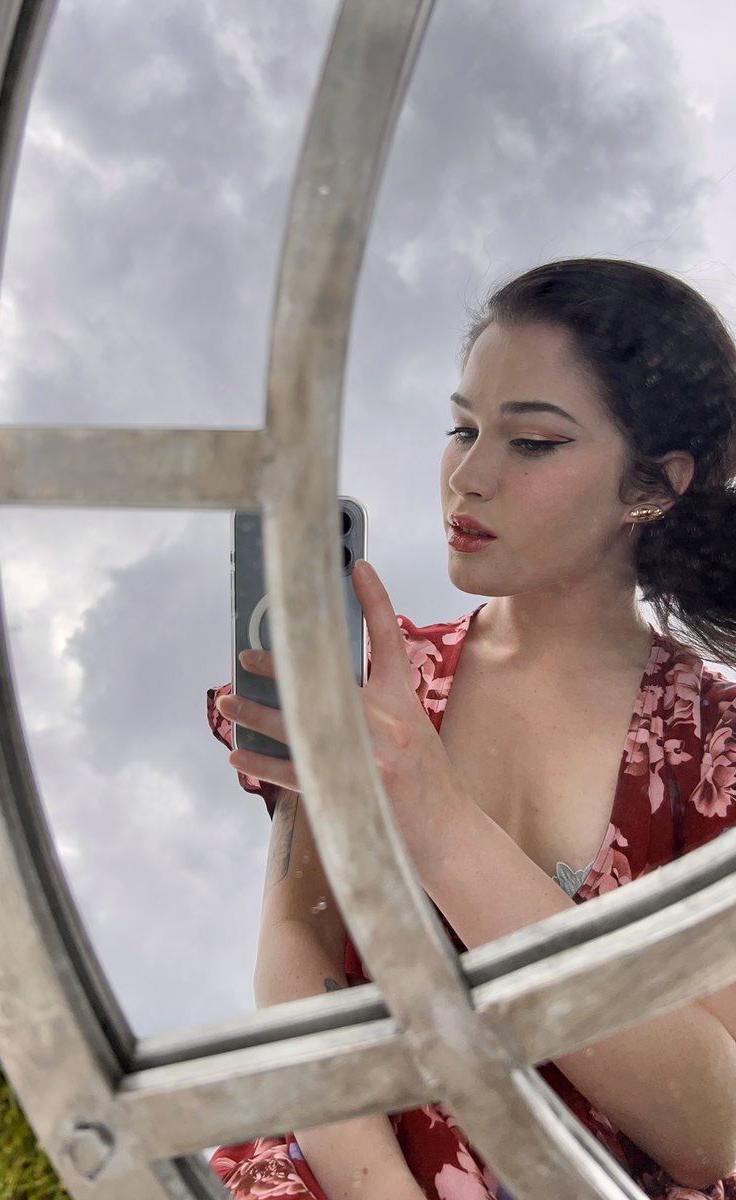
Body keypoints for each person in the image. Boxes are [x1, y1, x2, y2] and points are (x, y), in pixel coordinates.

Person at [206, 258, 736, 1200]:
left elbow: (709, 1125)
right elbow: (297, 946)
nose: (469, 476)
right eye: (462, 428)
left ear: (653, 485)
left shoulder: (714, 746)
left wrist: (440, 824)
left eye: (531, 441)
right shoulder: (376, 683)